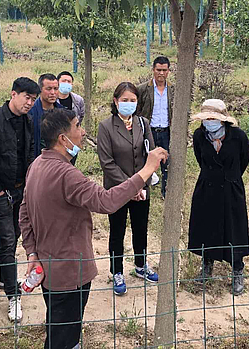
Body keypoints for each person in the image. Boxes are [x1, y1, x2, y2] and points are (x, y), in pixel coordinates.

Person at [20, 109, 168, 349]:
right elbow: (106, 201)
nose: (83, 132)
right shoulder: (66, 174)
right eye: (78, 126)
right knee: (64, 339)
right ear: (63, 139)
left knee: (59, 330)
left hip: (50, 269)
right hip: (70, 273)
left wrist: (32, 252)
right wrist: (147, 169)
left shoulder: (37, 165)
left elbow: (24, 212)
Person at [0, 77, 40, 322]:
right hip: (0, 193)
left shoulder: (28, 120)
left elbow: (30, 151)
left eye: (33, 99)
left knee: (15, 234)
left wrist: (28, 185)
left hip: (20, 191)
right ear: (14, 94)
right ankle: (14, 295)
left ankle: (6, 277)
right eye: (26, 97)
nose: (29, 103)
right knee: (6, 240)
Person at [97, 82, 158, 296]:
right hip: (117, 189)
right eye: (125, 100)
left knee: (141, 228)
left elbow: (150, 154)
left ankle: (141, 265)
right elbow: (107, 162)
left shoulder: (143, 123)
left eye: (133, 100)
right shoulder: (106, 127)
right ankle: (117, 272)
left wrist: (141, 184)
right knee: (117, 231)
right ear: (116, 101)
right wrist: (129, 187)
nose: (129, 104)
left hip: (142, 188)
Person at [187, 99, 249, 295]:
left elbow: (244, 160)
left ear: (223, 119)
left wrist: (230, 176)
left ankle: (237, 269)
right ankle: (207, 266)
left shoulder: (238, 136)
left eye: (213, 118)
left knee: (234, 229)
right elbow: (200, 159)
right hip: (207, 187)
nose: (209, 122)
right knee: (207, 227)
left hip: (231, 188)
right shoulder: (199, 135)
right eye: (206, 118)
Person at [137, 56, 173, 197]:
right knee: (145, 160)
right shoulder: (143, 89)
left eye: (164, 70)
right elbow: (137, 110)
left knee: (166, 161)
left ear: (168, 71)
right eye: (158, 70)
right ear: (153, 70)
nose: (161, 73)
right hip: (149, 131)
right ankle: (143, 189)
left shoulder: (173, 90)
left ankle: (166, 192)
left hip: (166, 131)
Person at [29, 73, 63, 158]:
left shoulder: (62, 112)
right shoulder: (30, 113)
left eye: (55, 89)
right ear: (40, 90)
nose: (53, 93)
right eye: (49, 89)